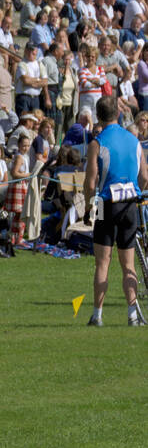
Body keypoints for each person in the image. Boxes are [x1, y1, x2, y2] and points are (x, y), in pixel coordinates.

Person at [84, 94, 148, 326]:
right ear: (118, 114)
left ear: (98, 116)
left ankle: (97, 315)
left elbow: (90, 183)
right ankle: (132, 313)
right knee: (128, 264)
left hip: (105, 203)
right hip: (130, 203)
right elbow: (145, 177)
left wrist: (89, 204)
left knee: (103, 263)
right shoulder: (134, 140)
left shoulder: (97, 143)